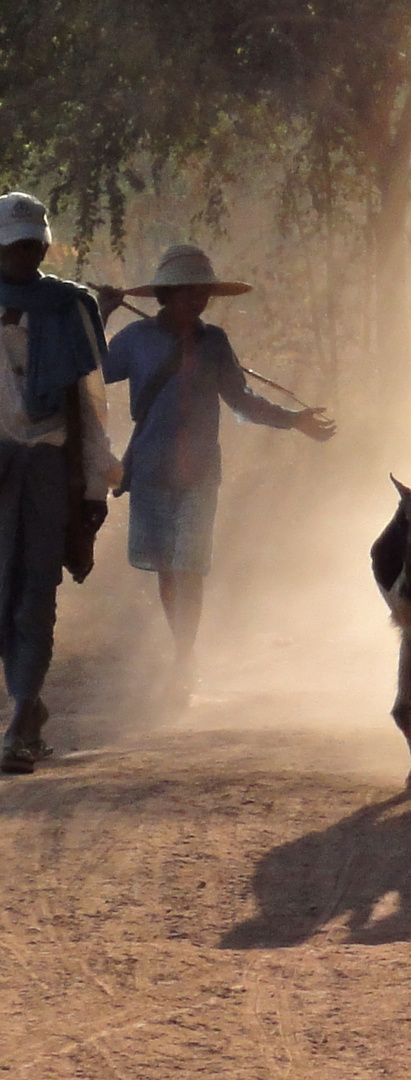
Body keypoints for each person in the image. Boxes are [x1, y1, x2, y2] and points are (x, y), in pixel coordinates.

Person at [101, 245, 336, 698]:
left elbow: (242, 401)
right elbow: (90, 372)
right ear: (167, 294)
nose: (197, 299)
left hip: (200, 471)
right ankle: (181, 650)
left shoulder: (215, 343)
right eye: (188, 290)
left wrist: (294, 420)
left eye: (203, 291)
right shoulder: (134, 339)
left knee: (189, 567)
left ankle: (184, 657)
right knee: (169, 569)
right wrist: (101, 314)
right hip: (150, 469)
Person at [0, 192, 120, 774]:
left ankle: (22, 716)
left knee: (35, 596)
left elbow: (91, 405)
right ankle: (28, 702)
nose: (23, 253)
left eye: (31, 243)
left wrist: (94, 488)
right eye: (12, 244)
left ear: (43, 244)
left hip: (49, 471)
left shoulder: (67, 308)